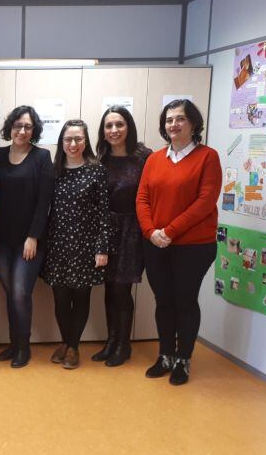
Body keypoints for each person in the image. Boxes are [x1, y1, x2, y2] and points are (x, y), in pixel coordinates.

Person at [136, 99, 221, 385]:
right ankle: (165, 355)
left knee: (185, 300)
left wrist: (170, 231)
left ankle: (183, 359)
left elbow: (205, 202)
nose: (174, 124)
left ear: (193, 123)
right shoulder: (154, 159)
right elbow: (142, 197)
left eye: (180, 118)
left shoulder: (207, 157)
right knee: (163, 300)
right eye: (169, 119)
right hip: (155, 243)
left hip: (194, 246)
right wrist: (150, 231)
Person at [42, 120, 109, 370]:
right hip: (57, 244)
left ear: (85, 141)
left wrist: (102, 248)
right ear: (62, 142)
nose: (73, 144)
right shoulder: (53, 171)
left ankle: (73, 347)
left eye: (78, 139)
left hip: (86, 246)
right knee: (60, 298)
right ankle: (65, 341)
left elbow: (104, 213)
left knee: (81, 297)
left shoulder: (96, 170)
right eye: (68, 139)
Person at [0, 106, 54, 368]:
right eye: (18, 125)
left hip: (29, 241)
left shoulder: (42, 157)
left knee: (19, 292)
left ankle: (24, 347)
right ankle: (13, 343)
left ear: (34, 130)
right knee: (10, 292)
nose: (22, 131)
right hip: (1, 239)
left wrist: (33, 236)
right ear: (10, 127)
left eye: (28, 126)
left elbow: (44, 202)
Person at [92, 107, 152, 367]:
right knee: (109, 288)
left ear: (129, 127)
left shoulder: (145, 158)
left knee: (122, 289)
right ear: (103, 132)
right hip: (106, 230)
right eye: (109, 126)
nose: (114, 130)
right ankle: (111, 341)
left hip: (132, 232)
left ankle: (123, 345)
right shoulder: (100, 159)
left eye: (119, 124)